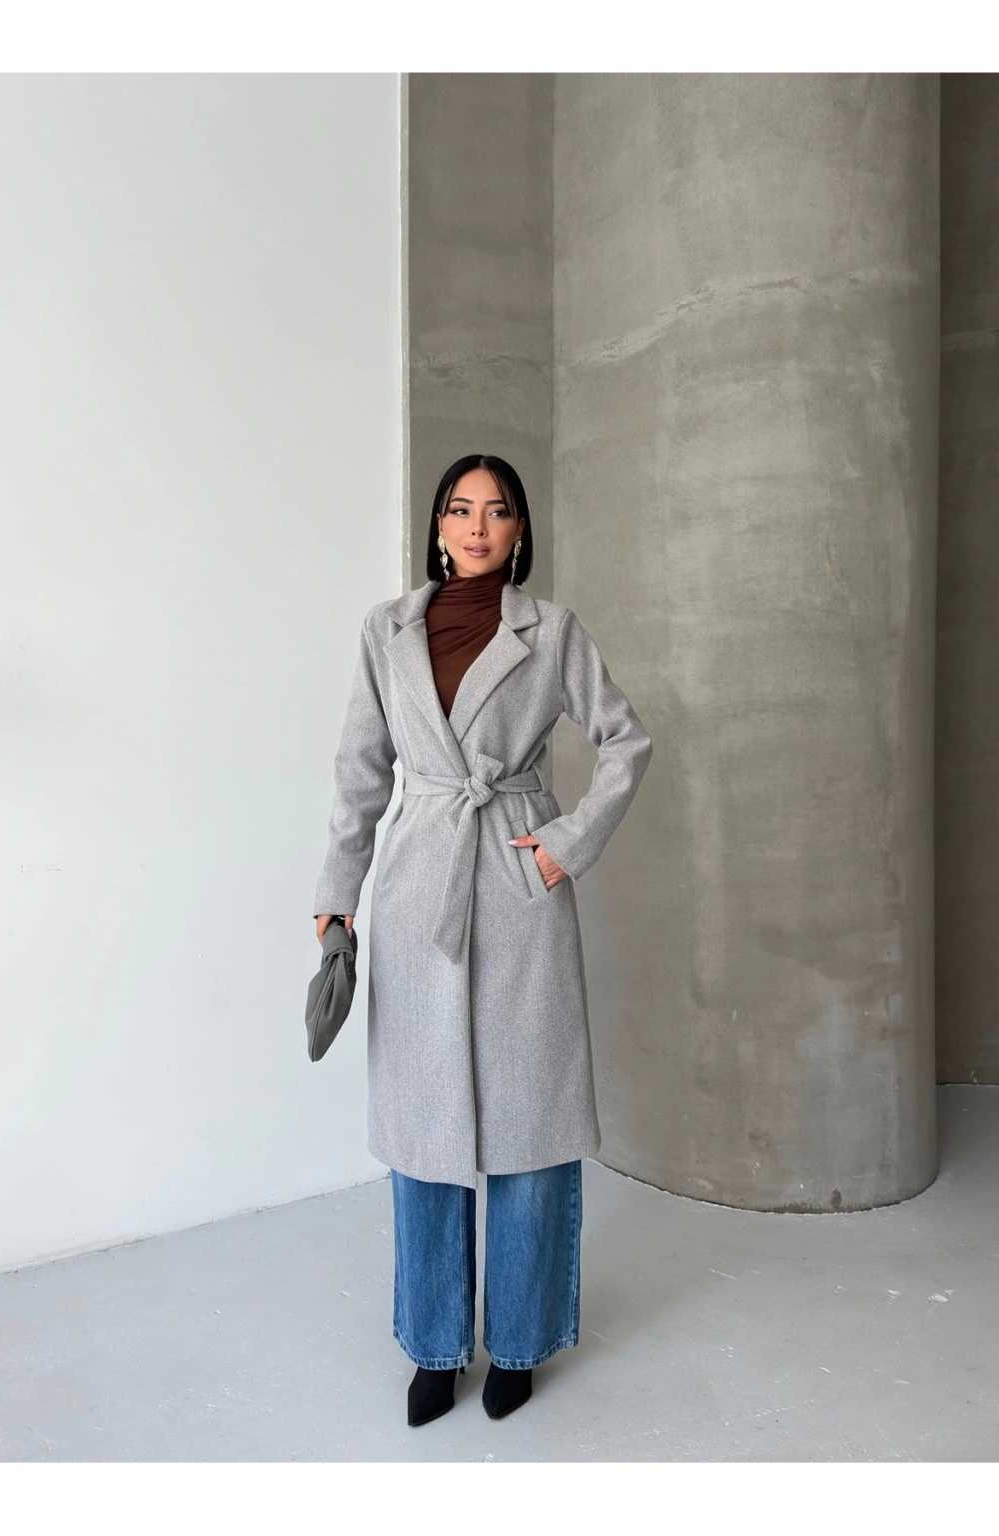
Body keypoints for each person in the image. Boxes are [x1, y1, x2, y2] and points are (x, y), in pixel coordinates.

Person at [313, 454, 652, 1426]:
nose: (476, 525)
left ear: (518, 532)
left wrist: (562, 847)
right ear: (436, 527)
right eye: (459, 509)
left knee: (529, 1126)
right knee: (423, 1131)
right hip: (418, 883)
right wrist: (336, 896)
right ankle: (433, 1346)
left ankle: (520, 1343)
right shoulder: (384, 631)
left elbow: (627, 740)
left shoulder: (552, 632)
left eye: (496, 511)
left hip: (513, 882)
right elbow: (360, 772)